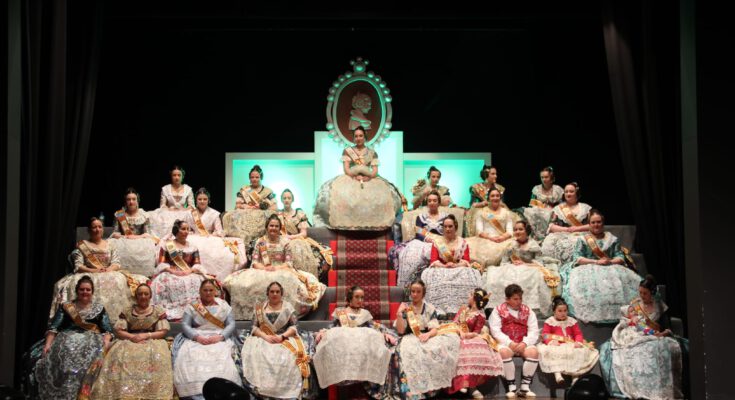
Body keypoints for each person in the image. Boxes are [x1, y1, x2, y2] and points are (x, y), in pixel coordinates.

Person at [223, 214, 325, 319]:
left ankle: (285, 315)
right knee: (241, 283)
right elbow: (255, 262)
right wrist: (265, 268)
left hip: (282, 269)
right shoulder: (260, 242)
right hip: (261, 270)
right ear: (267, 227)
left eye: (276, 226)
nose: (274, 228)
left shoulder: (285, 242)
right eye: (271, 225)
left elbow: (289, 263)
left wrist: (276, 268)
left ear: (280, 228)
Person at [599, 275, 686, 399]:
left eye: (645, 293)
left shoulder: (660, 307)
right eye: (640, 292)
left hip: (653, 334)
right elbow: (627, 319)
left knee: (661, 347)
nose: (642, 296)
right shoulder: (635, 304)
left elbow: (665, 327)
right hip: (636, 333)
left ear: (652, 293)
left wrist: (659, 332)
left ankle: (657, 388)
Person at [50, 217, 147, 324]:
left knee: (118, 281)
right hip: (89, 272)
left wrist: (108, 269)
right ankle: (87, 319)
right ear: (89, 230)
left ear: (103, 229)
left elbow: (116, 263)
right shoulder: (83, 245)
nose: (97, 229)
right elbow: (79, 266)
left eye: (100, 227)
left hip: (108, 272)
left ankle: (117, 319)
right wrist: (94, 270)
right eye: (94, 227)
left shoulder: (110, 245)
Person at [29, 276, 113, 399]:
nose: (85, 292)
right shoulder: (66, 306)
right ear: (77, 291)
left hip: (92, 339)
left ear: (92, 291)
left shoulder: (99, 308)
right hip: (67, 338)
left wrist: (106, 341)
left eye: (88, 290)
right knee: (66, 353)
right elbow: (54, 327)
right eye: (82, 289)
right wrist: (47, 345)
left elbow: (108, 330)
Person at [87, 284, 173, 399]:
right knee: (119, 355)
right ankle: (122, 392)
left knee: (157, 356)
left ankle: (150, 392)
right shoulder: (127, 310)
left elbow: (163, 331)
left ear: (150, 296)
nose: (143, 296)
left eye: (146, 294)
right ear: (136, 296)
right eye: (140, 294)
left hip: (151, 339)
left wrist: (146, 335)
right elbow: (119, 330)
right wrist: (132, 337)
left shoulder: (157, 311)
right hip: (129, 339)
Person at [313, 126, 403, 230]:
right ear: (353, 138)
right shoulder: (348, 151)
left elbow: (374, 171)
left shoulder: (372, 153)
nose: (358, 138)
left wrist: (368, 177)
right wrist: (355, 175)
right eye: (356, 136)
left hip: (368, 178)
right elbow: (346, 169)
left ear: (364, 137)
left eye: (360, 136)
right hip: (351, 177)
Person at [559, 210, 640, 323]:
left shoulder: (612, 239)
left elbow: (620, 256)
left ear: (603, 223)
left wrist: (610, 261)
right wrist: (596, 262)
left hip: (610, 266)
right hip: (588, 267)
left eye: (598, 222)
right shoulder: (583, 240)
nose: (596, 225)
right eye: (593, 222)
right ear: (589, 224)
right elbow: (578, 258)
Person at [313, 286, 396, 393]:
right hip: (344, 341)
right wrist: (323, 332)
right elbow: (332, 326)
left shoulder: (364, 313)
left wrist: (385, 333)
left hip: (360, 341)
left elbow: (374, 326)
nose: (360, 300)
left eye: (362, 297)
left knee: (372, 336)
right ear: (350, 298)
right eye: (357, 297)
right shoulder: (341, 312)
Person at [172, 279, 242, 399]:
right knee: (192, 356)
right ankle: (197, 392)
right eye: (205, 290)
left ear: (215, 291)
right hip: (197, 337)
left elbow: (231, 324)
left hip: (218, 337)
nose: (208, 293)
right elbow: (185, 325)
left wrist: (221, 337)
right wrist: (197, 337)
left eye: (210, 290)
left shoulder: (223, 305)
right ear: (200, 291)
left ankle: (223, 390)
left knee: (223, 358)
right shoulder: (193, 306)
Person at [241, 282, 311, 399]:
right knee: (257, 354)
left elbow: (295, 326)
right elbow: (253, 327)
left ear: (281, 294)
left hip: (284, 338)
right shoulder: (260, 309)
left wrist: (282, 336)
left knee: (289, 357)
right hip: (264, 338)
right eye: (272, 291)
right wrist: (265, 337)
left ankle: (285, 391)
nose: (274, 294)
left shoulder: (288, 308)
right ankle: (264, 391)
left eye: (277, 292)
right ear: (267, 293)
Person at [393, 280, 461, 398]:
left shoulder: (429, 308)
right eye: (413, 291)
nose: (415, 294)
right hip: (409, 337)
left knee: (438, 350)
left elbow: (434, 329)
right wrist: (399, 314)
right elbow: (400, 331)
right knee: (410, 353)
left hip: (426, 336)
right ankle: (414, 390)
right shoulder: (406, 308)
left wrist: (428, 335)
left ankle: (432, 388)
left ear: (423, 293)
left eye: (418, 292)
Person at [484, 221, 561, 315]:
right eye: (515, 230)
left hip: (530, 268)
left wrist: (525, 264)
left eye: (520, 229)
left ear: (526, 231)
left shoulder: (533, 245)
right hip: (512, 268)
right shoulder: (511, 245)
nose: (517, 232)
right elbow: (504, 262)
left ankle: (530, 307)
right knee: (495, 277)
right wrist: (511, 264)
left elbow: (539, 263)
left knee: (532, 278)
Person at [421, 214, 482, 315]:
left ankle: (464, 309)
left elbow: (466, 261)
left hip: (458, 269)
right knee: (429, 274)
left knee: (470, 273)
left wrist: (455, 265)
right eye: (445, 227)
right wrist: (444, 266)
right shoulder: (437, 242)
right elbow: (433, 261)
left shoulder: (463, 243)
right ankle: (437, 310)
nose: (447, 229)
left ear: (455, 227)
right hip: (441, 269)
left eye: (450, 226)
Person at [448, 288, 503, 399]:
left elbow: (476, 331)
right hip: (458, 335)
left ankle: (470, 385)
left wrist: (468, 335)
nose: (468, 297)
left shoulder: (480, 315)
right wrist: (460, 332)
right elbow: (455, 323)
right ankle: (466, 384)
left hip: (471, 336)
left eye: (470, 295)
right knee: (458, 346)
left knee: (474, 348)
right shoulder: (463, 309)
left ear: (474, 299)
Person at [489, 284, 540, 398]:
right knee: (503, 352)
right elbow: (495, 331)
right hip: (506, 344)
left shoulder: (528, 311)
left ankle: (525, 387)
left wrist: (525, 343)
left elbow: (534, 330)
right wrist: (509, 343)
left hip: (523, 343)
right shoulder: (498, 311)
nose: (519, 301)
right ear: (507, 299)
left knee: (533, 352)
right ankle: (512, 387)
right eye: (515, 299)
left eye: (520, 298)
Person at [150, 220, 207, 320]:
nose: (186, 232)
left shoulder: (193, 247)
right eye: (183, 229)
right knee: (166, 282)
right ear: (176, 230)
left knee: (197, 281)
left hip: (189, 272)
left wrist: (189, 271)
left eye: (188, 229)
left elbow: (197, 263)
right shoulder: (167, 245)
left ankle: (194, 310)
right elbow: (162, 263)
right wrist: (173, 271)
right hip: (170, 272)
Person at [184, 187, 245, 280]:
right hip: (194, 237)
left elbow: (219, 231)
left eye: (205, 199)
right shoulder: (190, 213)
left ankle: (214, 278)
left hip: (210, 238)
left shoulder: (214, 213)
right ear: (196, 200)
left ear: (208, 200)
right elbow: (185, 228)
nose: (202, 201)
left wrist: (211, 235)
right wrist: (190, 232)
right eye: (200, 199)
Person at [537, 296, 599, 386]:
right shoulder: (549, 321)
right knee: (553, 352)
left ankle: (575, 376)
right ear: (554, 311)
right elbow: (545, 334)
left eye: (565, 311)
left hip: (570, 343)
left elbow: (578, 334)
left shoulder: (572, 321)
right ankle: (557, 374)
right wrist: (550, 341)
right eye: (560, 311)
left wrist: (578, 342)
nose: (563, 313)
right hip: (557, 344)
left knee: (577, 351)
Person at [393, 190, 448, 288]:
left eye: (434, 200)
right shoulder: (422, 217)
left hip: (441, 243)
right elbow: (419, 232)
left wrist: (440, 240)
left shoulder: (445, 217)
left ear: (439, 202)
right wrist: (427, 239)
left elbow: (449, 231)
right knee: (412, 255)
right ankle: (407, 286)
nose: (432, 203)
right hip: (423, 242)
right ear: (427, 203)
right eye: (429, 201)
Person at [276, 188, 333, 278]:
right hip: (283, 239)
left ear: (292, 200)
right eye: (284, 198)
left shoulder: (299, 213)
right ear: (281, 200)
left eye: (289, 198)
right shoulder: (278, 214)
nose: (286, 200)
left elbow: (304, 233)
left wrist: (291, 237)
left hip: (298, 239)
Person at [222, 165, 277, 250]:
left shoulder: (267, 191)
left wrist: (261, 206)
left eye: (257, 177)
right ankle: (244, 245)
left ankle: (258, 243)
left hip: (261, 214)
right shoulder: (245, 190)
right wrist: (247, 206)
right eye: (252, 177)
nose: (254, 179)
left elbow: (274, 207)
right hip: (246, 212)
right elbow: (238, 205)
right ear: (249, 178)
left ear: (261, 177)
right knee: (228, 216)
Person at [109, 188, 158, 277]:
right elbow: (115, 232)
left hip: (139, 241)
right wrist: (123, 236)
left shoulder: (144, 215)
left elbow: (147, 234)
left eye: (133, 199)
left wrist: (136, 237)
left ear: (137, 200)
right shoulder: (119, 214)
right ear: (125, 201)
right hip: (124, 241)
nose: (131, 202)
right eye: (128, 199)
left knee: (149, 244)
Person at [540, 182, 592, 264]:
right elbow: (551, 226)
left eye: (571, 191)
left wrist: (577, 228)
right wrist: (567, 229)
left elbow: (593, 225)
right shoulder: (558, 209)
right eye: (566, 191)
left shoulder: (585, 208)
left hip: (581, 234)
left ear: (577, 193)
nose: (568, 194)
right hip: (562, 234)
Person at [465, 188, 515, 267]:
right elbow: (479, 231)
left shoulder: (506, 213)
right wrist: (491, 238)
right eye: (492, 196)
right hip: (485, 240)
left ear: (500, 197)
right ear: (488, 198)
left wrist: (501, 238)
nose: (495, 198)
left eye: (497, 196)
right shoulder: (482, 212)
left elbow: (510, 231)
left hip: (503, 240)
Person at [148, 166, 196, 238]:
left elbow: (191, 206)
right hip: (169, 213)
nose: (177, 177)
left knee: (191, 213)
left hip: (183, 213)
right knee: (157, 214)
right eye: (174, 175)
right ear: (171, 176)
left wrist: (183, 209)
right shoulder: (165, 189)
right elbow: (162, 205)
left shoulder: (188, 189)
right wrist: (169, 209)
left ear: (182, 176)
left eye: (179, 175)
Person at [521, 167, 564, 241]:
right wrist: (543, 206)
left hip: (553, 211)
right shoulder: (536, 189)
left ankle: (547, 236)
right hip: (539, 210)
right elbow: (532, 203)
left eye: (546, 177)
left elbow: (562, 204)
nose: (544, 179)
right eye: (542, 177)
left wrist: (555, 210)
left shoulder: (558, 189)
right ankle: (536, 237)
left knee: (550, 214)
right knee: (530, 212)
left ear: (551, 178)